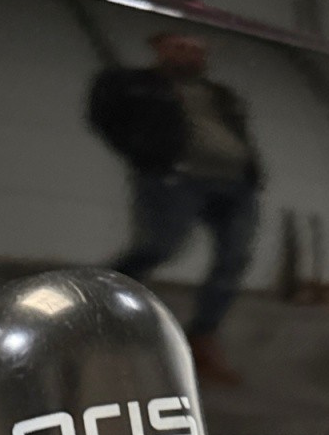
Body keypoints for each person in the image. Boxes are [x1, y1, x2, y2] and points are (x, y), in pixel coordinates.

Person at [88, 31, 261, 384]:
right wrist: (147, 157)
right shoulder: (132, 84)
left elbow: (238, 132)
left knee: (234, 259)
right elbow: (104, 118)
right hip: (176, 180)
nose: (189, 54)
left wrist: (250, 171)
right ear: (159, 49)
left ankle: (203, 340)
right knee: (158, 247)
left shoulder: (221, 94)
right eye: (180, 46)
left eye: (197, 49)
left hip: (235, 186)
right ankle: (94, 304)